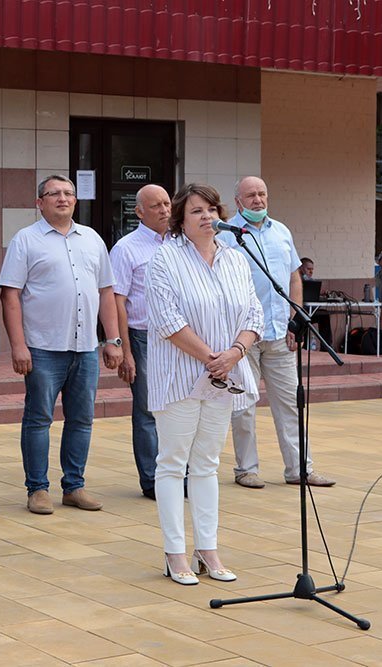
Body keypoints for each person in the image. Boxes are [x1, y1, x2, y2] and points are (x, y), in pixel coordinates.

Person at [146, 183, 263, 585]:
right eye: (196, 211)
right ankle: (174, 553)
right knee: (173, 463)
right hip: (179, 376)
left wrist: (234, 353)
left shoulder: (236, 258)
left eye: (211, 209)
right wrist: (211, 359)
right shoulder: (164, 259)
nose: (206, 216)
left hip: (225, 375)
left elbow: (253, 314)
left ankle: (208, 548)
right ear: (180, 219)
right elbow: (167, 320)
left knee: (208, 465)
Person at [0, 175, 123, 515]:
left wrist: (113, 340)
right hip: (42, 347)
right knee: (38, 419)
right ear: (40, 202)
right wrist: (18, 345)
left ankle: (74, 486)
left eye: (69, 193)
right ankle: (37, 488)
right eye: (54, 194)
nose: (63, 199)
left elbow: (106, 292)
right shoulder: (26, 240)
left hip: (85, 347)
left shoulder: (92, 239)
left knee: (82, 420)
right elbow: (10, 294)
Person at [218, 176, 335, 489]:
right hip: (243, 336)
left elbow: (294, 278)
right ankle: (246, 469)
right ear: (238, 201)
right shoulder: (227, 234)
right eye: (251, 195)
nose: (258, 200)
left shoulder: (281, 231)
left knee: (290, 404)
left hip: (282, 333)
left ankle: (300, 469)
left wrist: (296, 318)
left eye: (262, 194)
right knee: (243, 405)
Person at [109, 184, 170, 499]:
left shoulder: (179, 244)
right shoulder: (126, 248)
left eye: (167, 203)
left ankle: (175, 475)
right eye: (156, 205)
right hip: (142, 336)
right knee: (148, 410)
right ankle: (151, 480)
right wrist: (124, 350)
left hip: (177, 337)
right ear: (140, 211)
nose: (164, 210)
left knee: (176, 409)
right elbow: (116, 301)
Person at [299, 256, 333, 349]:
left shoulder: (311, 282)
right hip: (299, 313)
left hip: (311, 311)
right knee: (303, 319)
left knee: (324, 315)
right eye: (308, 269)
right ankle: (304, 347)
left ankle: (326, 347)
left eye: (312, 269)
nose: (311, 272)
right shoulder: (296, 281)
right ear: (301, 268)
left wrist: (322, 295)